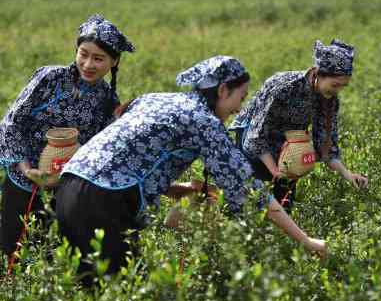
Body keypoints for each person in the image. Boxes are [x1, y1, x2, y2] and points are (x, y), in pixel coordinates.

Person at [56, 56, 327, 286]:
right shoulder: (203, 122)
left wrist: (178, 189)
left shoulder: (154, 99)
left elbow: (127, 159)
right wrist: (305, 240)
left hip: (70, 188)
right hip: (101, 202)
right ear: (223, 90)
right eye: (240, 98)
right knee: (118, 291)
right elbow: (249, 188)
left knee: (94, 288)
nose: (239, 108)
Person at [0, 14, 135, 257]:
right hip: (22, 177)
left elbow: (97, 150)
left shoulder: (107, 100)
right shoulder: (49, 78)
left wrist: (119, 120)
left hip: (62, 187)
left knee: (49, 253)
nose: (88, 64)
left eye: (98, 58)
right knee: (13, 247)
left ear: (114, 62)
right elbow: (12, 122)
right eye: (83, 54)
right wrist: (26, 168)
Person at [231, 39, 368, 211]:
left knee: (284, 204)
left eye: (343, 86)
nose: (337, 90)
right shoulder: (285, 87)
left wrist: (348, 175)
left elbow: (326, 144)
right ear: (318, 73)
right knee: (246, 197)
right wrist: (276, 173)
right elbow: (256, 135)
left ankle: (280, 226)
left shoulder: (329, 100)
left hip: (289, 146)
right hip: (252, 137)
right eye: (335, 84)